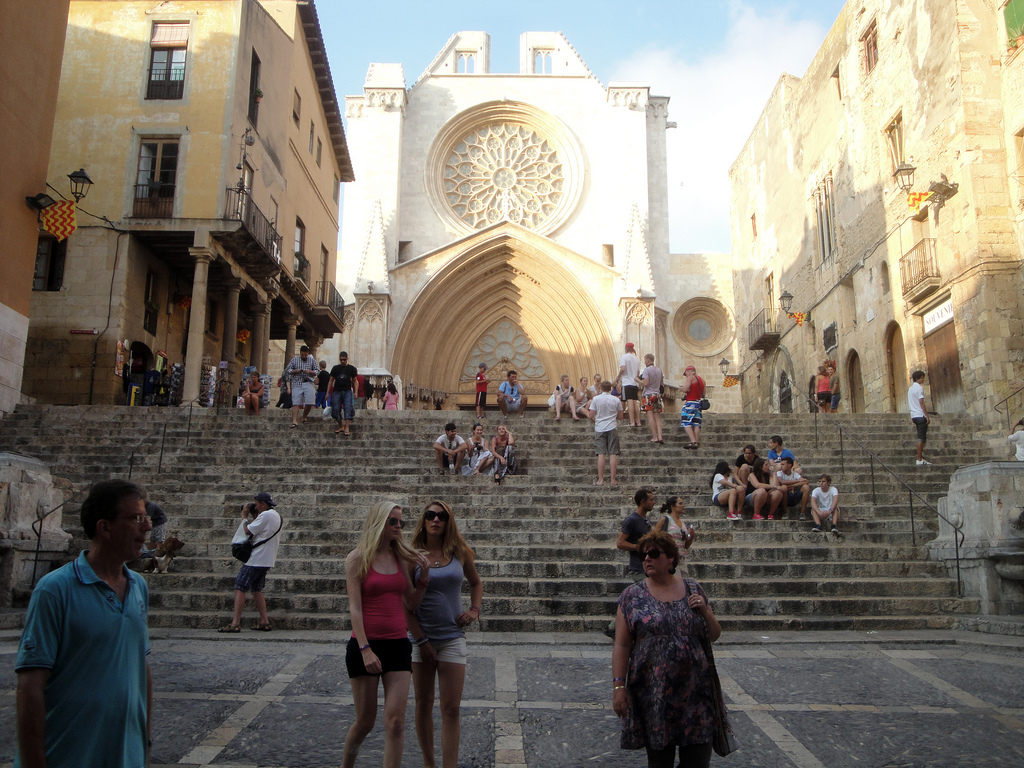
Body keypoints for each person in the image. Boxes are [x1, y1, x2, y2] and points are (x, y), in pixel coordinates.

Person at [15, 479, 153, 768]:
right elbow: (30, 686)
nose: (147, 526)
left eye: (146, 517)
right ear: (105, 527)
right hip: (66, 755)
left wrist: (143, 744)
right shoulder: (55, 590)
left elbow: (141, 667)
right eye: (136, 518)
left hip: (125, 756)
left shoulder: (138, 586)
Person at [612, 530, 722, 768]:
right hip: (655, 694)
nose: (647, 559)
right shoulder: (631, 596)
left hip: (696, 693)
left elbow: (714, 634)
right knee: (660, 762)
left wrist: (704, 610)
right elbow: (621, 645)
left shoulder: (693, 588)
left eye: (653, 553)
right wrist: (619, 686)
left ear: (671, 558)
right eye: (643, 555)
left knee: (697, 762)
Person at [342, 501, 431, 768]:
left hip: (398, 644)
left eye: (401, 522)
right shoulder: (358, 558)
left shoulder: (400, 558)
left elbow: (411, 604)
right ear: (379, 522)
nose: (399, 527)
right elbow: (355, 608)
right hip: (365, 645)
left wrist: (423, 579)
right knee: (366, 721)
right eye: (393, 521)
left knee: (395, 722)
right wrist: (365, 649)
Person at [406, 501, 484, 768]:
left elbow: (476, 582)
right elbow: (404, 605)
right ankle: (429, 763)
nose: (435, 520)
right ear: (424, 520)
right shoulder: (411, 556)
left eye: (441, 516)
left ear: (448, 521)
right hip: (420, 639)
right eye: (430, 515)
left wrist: (474, 610)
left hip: (452, 637)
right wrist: (421, 640)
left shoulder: (459, 552)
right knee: (423, 704)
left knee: (451, 709)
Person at [219, 492, 282, 633]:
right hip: (266, 559)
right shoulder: (275, 515)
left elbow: (248, 531)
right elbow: (260, 531)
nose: (256, 506)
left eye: (257, 504)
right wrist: (255, 516)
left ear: (263, 504)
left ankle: (235, 623)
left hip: (256, 559)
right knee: (256, 589)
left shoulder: (266, 515)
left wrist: (244, 516)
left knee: (240, 587)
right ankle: (264, 621)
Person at [604, 487, 655, 638]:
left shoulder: (645, 520)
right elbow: (620, 543)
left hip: (646, 567)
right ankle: (616, 628)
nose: (654, 502)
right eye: (651, 499)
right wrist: (639, 548)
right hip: (638, 568)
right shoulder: (632, 520)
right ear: (643, 502)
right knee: (645, 599)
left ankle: (613, 628)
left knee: (639, 600)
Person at [588, 379, 624, 486]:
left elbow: (591, 414)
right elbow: (621, 416)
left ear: (601, 388)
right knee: (613, 454)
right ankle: (613, 480)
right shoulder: (616, 400)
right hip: (612, 426)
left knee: (601, 454)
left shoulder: (596, 399)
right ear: (610, 389)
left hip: (600, 428)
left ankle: (601, 480)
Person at [653, 496, 695, 575]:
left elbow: (685, 546)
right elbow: (653, 536)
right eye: (680, 503)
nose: (683, 505)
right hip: (669, 557)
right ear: (672, 506)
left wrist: (691, 537)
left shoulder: (682, 523)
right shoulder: (665, 520)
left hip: (681, 559)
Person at [285, 345, 319, 427]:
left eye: (306, 355)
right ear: (300, 353)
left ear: (308, 353)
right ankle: (294, 421)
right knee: (296, 402)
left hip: (308, 382)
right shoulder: (294, 360)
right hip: (297, 382)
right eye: (303, 355)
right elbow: (288, 370)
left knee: (310, 402)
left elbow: (317, 371)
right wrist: (295, 371)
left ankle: (304, 416)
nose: (304, 356)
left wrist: (310, 372)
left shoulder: (312, 360)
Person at [328, 351, 358, 436]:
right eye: (341, 360)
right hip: (337, 391)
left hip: (347, 391)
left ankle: (347, 427)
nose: (342, 361)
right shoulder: (335, 368)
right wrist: (327, 393)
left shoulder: (351, 369)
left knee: (348, 407)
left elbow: (355, 381)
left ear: (347, 359)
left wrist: (356, 392)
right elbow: (330, 381)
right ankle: (341, 426)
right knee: (336, 409)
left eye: (344, 360)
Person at [638, 353, 664, 443]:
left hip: (648, 395)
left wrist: (637, 379)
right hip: (657, 394)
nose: (644, 362)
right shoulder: (659, 370)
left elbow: (645, 383)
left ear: (648, 360)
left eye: (645, 360)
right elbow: (661, 383)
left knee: (650, 417)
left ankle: (655, 437)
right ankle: (660, 436)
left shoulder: (647, 370)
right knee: (657, 417)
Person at [679, 365, 706, 449]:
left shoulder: (690, 378)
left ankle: (693, 441)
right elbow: (703, 395)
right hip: (698, 403)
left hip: (690, 403)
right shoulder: (702, 380)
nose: (686, 376)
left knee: (686, 421)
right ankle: (696, 442)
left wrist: (681, 388)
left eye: (686, 374)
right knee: (696, 423)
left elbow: (685, 389)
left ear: (689, 371)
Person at [909, 370, 931, 466]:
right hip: (920, 415)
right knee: (921, 438)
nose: (923, 380)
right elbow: (921, 402)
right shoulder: (919, 389)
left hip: (914, 415)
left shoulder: (910, 389)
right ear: (920, 377)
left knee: (920, 436)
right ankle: (919, 459)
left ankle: (920, 456)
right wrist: (927, 416)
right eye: (922, 377)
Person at [619, 342, 642, 427]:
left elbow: (623, 368)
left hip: (627, 382)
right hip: (635, 383)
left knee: (629, 401)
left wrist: (619, 376)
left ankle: (632, 422)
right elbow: (638, 373)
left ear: (626, 349)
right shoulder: (637, 359)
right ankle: (638, 422)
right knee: (635, 402)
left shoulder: (624, 357)